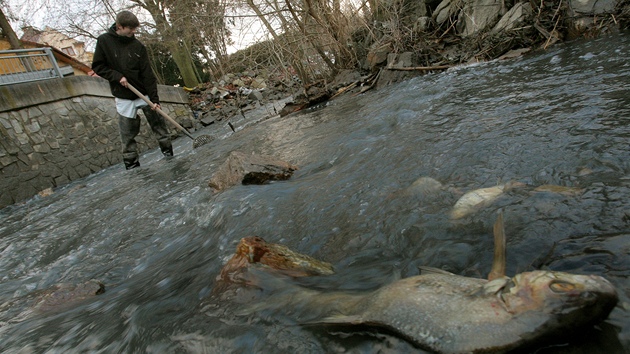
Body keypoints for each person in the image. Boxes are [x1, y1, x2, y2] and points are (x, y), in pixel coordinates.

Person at [92, 11, 173, 170]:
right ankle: (132, 168)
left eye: (135, 29)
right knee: (127, 137)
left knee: (160, 129)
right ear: (119, 27)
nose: (133, 33)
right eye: (131, 30)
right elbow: (98, 67)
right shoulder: (104, 41)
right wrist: (116, 76)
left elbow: (148, 75)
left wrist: (155, 100)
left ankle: (170, 157)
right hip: (122, 96)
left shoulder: (138, 47)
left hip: (144, 94)